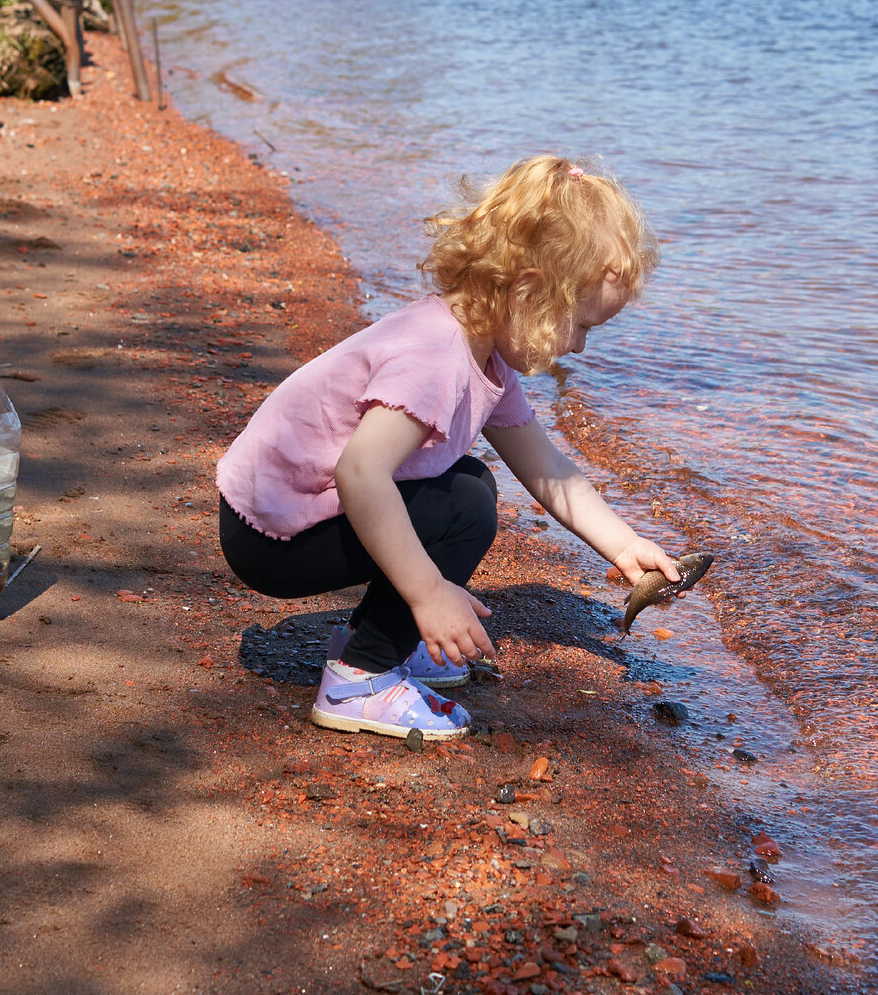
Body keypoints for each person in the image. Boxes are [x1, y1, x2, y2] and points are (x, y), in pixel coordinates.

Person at [217, 155, 680, 741]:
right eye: (580, 325)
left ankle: (378, 641)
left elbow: (548, 470)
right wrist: (430, 592)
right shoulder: (434, 356)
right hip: (269, 537)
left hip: (291, 514)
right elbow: (360, 473)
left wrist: (625, 546)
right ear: (530, 291)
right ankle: (361, 677)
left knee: (471, 483)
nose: (581, 348)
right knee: (465, 504)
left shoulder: (480, 350)